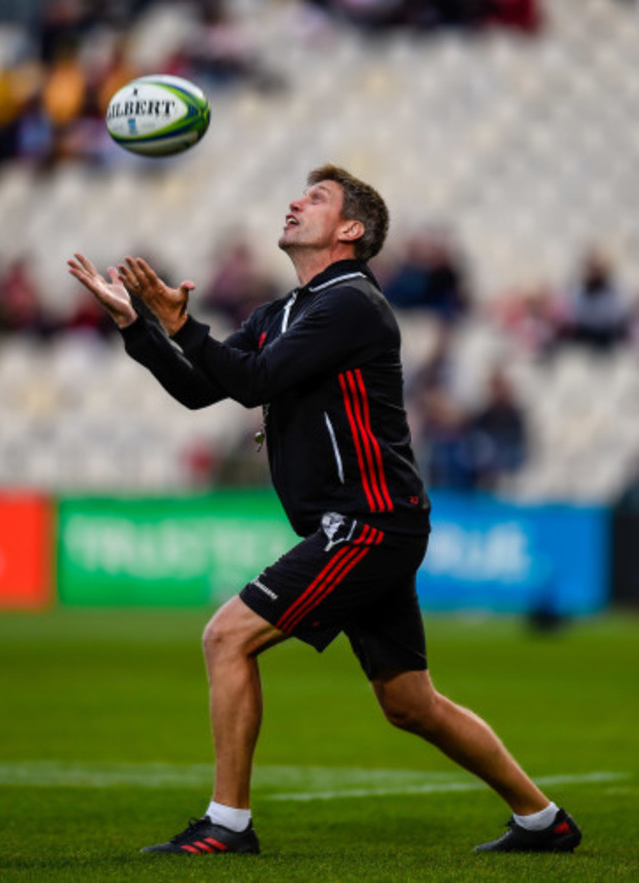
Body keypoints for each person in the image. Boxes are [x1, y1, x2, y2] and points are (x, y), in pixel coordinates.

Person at [67, 164, 581, 857]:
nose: (293, 202)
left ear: (350, 230)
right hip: (368, 523)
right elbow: (200, 389)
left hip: (369, 521)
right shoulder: (282, 311)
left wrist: (184, 324)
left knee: (227, 637)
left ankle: (228, 823)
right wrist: (137, 325)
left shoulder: (351, 303)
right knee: (410, 704)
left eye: (315, 198)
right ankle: (542, 821)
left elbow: (251, 379)